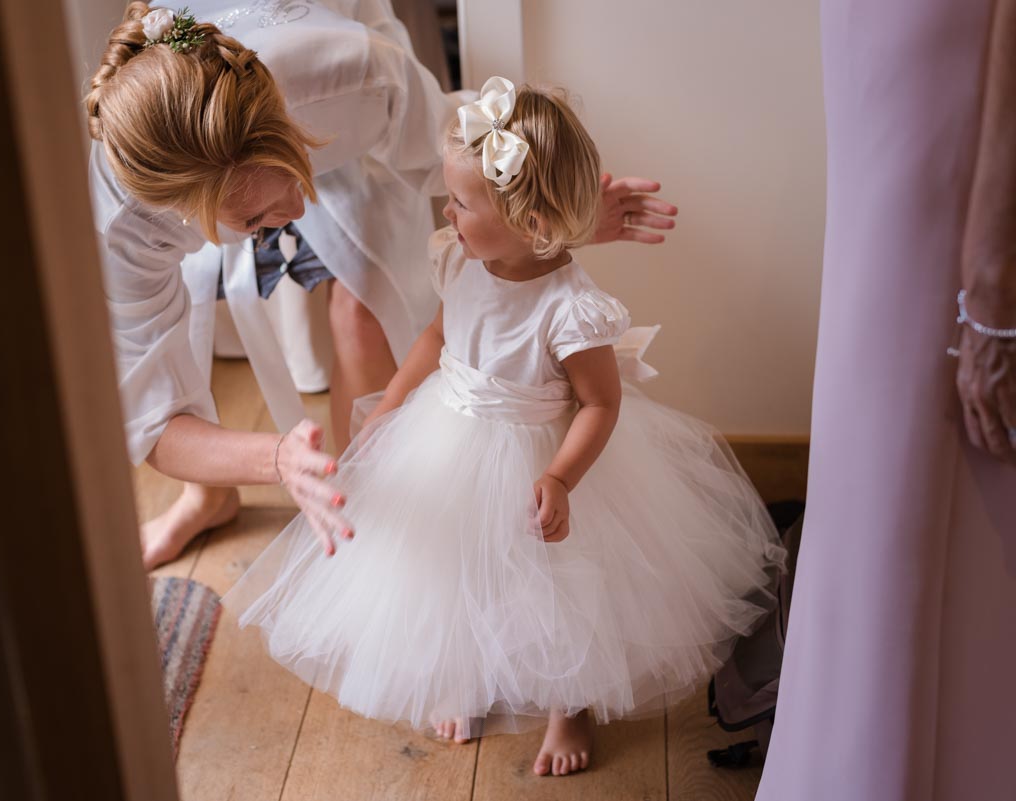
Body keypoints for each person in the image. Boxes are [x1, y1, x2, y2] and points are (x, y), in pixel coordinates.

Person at [228, 79, 785, 777]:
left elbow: (601, 404)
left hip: (536, 455)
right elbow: (436, 336)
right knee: (453, 566)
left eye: (463, 202)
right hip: (448, 438)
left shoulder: (572, 309)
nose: (449, 213)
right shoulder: (460, 257)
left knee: (553, 585)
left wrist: (560, 476)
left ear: (534, 222)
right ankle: (468, 673)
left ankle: (569, 699)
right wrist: (392, 403)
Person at [86, 2, 679, 569]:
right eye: (255, 219)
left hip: (338, 100)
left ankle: (363, 513)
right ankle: (211, 497)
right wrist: (277, 458)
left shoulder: (356, 77)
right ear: (181, 211)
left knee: (362, 310)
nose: (298, 205)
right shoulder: (123, 228)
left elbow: (449, 149)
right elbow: (154, 417)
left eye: (297, 171)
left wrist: (555, 220)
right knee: (188, 344)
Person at [756, 1, 1016, 798]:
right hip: (887, 47)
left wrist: (995, 266)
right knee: (877, 454)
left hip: (959, 51)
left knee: (927, 440)